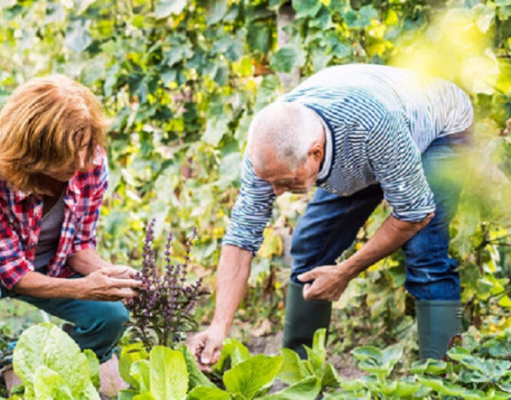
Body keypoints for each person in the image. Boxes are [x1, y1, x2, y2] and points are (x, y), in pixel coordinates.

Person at [189, 64, 473, 369]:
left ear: (315, 154)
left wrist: (345, 272)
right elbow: (241, 239)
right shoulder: (269, 152)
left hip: (439, 128)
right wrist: (219, 326)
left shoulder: (373, 127)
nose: (277, 192)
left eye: (285, 182)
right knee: (311, 244)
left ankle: (443, 380)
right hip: (363, 139)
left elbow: (415, 214)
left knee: (424, 252)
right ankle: (301, 377)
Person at [0, 75, 142, 398]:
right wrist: (83, 288)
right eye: (70, 151)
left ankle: (33, 366)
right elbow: (11, 273)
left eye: (85, 146)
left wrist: (108, 275)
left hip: (47, 261)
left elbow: (79, 246)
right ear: (36, 148)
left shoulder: (91, 163)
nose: (83, 161)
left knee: (111, 314)